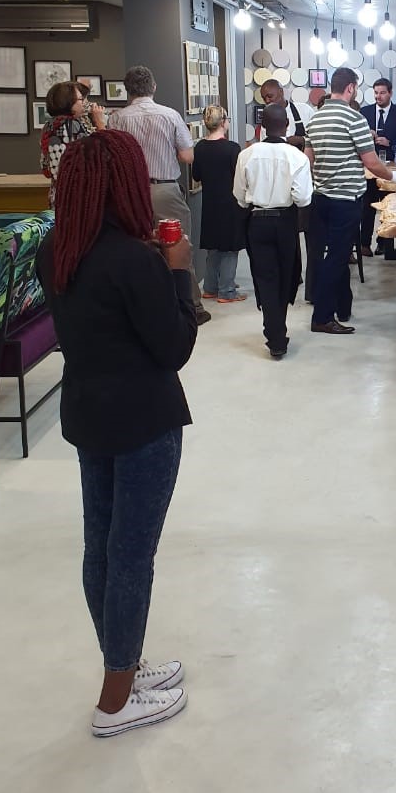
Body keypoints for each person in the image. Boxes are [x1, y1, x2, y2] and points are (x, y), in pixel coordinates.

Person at [36, 130, 197, 737]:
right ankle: (114, 701)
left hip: (88, 412)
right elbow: (174, 347)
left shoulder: (56, 248)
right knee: (131, 555)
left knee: (101, 547)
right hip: (144, 419)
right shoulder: (135, 261)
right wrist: (176, 273)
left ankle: (122, 665)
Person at [109, 64, 209, 324]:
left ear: (127, 89)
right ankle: (192, 306)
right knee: (178, 246)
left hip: (131, 193)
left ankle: (143, 304)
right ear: (153, 87)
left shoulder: (117, 119)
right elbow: (187, 155)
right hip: (165, 189)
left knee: (137, 248)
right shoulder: (170, 115)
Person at [304, 68, 392, 334]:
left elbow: (308, 161)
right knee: (337, 258)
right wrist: (393, 177)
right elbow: (371, 162)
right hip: (346, 199)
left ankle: (343, 306)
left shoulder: (315, 119)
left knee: (336, 255)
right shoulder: (355, 118)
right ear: (351, 88)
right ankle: (322, 317)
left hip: (320, 198)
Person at [234, 102, 313, 358]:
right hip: (285, 221)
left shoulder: (247, 155)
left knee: (265, 277)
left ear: (262, 126)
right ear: (287, 125)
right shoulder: (297, 157)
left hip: (257, 220)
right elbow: (303, 198)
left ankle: (275, 333)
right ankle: (278, 330)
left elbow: (239, 196)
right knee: (287, 274)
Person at [191, 105, 247, 304]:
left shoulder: (200, 147)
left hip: (210, 203)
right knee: (230, 248)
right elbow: (239, 177)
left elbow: (196, 175)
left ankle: (210, 287)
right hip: (230, 203)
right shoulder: (232, 148)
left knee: (213, 247)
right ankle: (227, 290)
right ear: (223, 122)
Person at [359, 77, 396, 254]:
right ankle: (364, 244)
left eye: (382, 93)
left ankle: (384, 243)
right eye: (376, 93)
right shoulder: (364, 112)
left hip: (391, 169)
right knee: (367, 207)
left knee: (388, 206)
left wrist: (390, 143)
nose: (378, 96)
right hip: (368, 168)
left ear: (390, 93)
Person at [39, 80, 106, 205]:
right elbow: (101, 154)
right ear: (68, 102)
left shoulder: (49, 126)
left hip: (58, 195)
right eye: (81, 99)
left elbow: (45, 167)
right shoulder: (72, 125)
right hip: (78, 199)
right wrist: (100, 123)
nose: (84, 103)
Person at [258, 78, 314, 145]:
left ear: (281, 92)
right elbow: (264, 145)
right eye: (264, 98)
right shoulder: (267, 118)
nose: (267, 101)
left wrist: (302, 140)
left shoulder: (305, 110)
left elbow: (318, 138)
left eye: (270, 96)